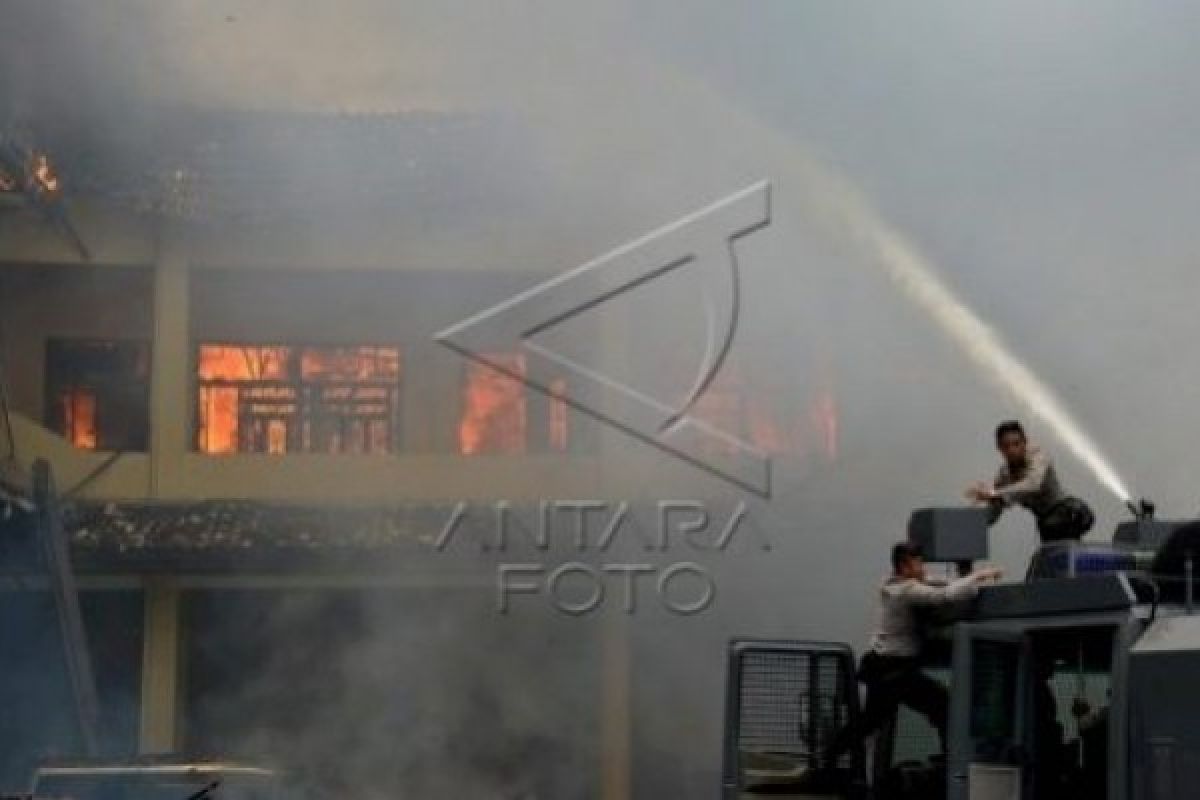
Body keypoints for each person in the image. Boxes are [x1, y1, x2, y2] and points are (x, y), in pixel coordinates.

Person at [824, 542, 1002, 765]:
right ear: (905, 566)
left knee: (870, 721)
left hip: (883, 667)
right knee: (943, 706)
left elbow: (937, 583)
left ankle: (829, 757)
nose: (923, 569)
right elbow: (944, 596)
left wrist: (965, 579)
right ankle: (951, 762)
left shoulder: (890, 584)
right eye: (918, 564)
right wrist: (980, 576)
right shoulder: (906, 591)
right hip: (895, 671)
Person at [966, 420, 1095, 543]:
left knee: (1057, 536)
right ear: (999, 448)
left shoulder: (1038, 457)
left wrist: (994, 493)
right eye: (1006, 446)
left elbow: (1033, 484)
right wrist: (969, 524)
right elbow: (994, 512)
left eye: (1016, 444)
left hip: (1068, 512)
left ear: (1025, 443)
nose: (1011, 450)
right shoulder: (1004, 476)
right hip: (1047, 523)